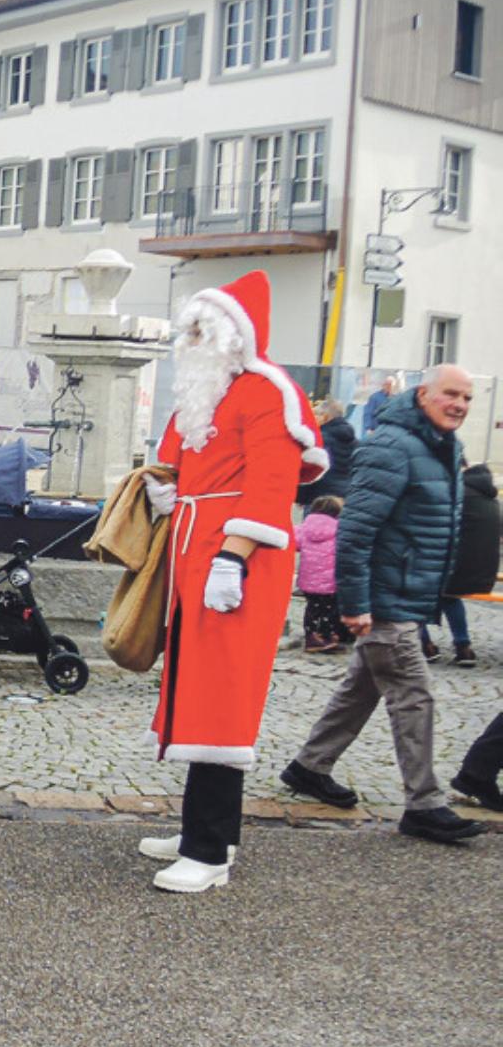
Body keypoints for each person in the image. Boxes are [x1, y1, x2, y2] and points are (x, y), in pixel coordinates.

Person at [137, 272, 329, 892]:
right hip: (196, 553)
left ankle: (210, 848)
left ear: (231, 334)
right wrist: (165, 488)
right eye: (188, 329)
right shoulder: (207, 392)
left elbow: (273, 486)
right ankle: (205, 828)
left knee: (222, 697)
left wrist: (235, 556)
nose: (190, 339)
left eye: (201, 329)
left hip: (237, 563)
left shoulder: (268, 392)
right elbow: (177, 456)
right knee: (195, 689)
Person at [280, 365, 485, 846]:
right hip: (385, 600)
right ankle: (425, 804)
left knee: (361, 691)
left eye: (468, 397)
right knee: (414, 698)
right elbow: (356, 530)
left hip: (406, 595)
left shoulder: (441, 445)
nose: (460, 404)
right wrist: (355, 603)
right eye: (450, 394)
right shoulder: (392, 446)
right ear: (421, 395)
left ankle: (309, 767)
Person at [437, 463, 497, 667]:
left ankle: (427, 644)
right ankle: (462, 647)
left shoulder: (460, 496)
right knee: (445, 594)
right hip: (487, 574)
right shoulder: (492, 501)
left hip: (459, 571)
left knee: (423, 591)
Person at [295, 496, 346, 654]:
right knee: (329, 610)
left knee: (312, 608)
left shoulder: (304, 528)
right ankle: (326, 636)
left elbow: (294, 542)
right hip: (330, 582)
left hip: (308, 581)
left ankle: (311, 636)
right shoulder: (339, 529)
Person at [298, 399, 355, 508]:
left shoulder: (319, 440)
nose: (313, 418)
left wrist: (301, 498)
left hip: (319, 499)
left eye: (316, 415)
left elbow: (311, 468)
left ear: (325, 417)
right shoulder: (353, 441)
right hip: (343, 498)